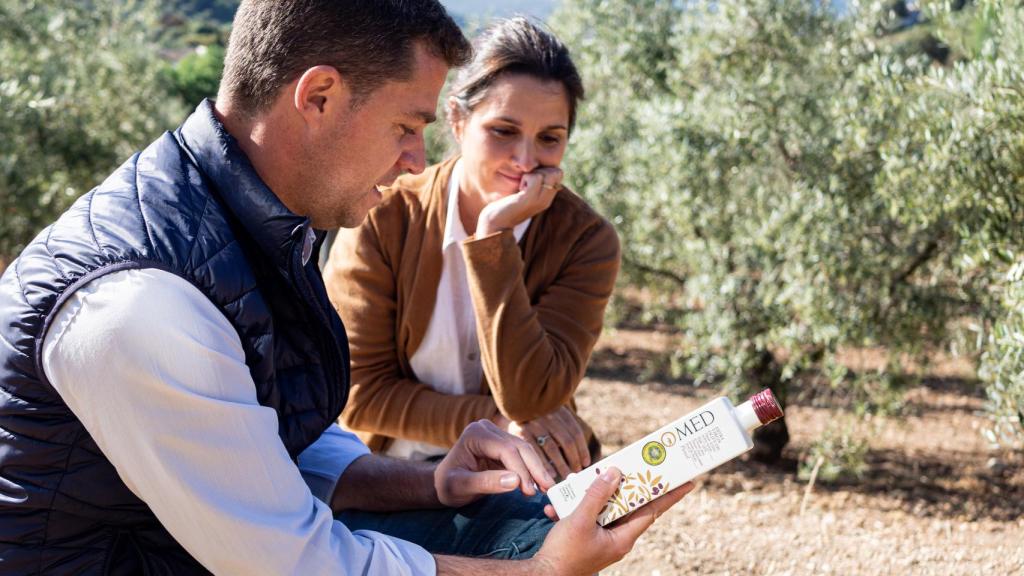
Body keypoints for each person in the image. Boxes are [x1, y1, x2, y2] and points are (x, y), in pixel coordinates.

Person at [0, 1, 692, 575]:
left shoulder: (245, 222)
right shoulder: (142, 307)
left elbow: (268, 438)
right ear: (319, 97)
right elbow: (298, 564)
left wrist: (429, 480)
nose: (416, 159)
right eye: (406, 126)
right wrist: (537, 574)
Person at [323, 17, 619, 482]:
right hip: (390, 479)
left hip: (522, 483)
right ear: (459, 121)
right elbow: (357, 394)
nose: (525, 161)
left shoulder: (585, 241)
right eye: (503, 130)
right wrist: (498, 424)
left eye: (549, 138)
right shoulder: (384, 214)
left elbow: (531, 397)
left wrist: (491, 240)